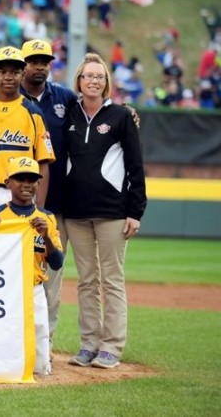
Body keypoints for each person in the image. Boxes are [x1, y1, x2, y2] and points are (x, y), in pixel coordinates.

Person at [65, 53, 147, 370]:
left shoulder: (121, 117)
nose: (94, 80)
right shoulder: (68, 114)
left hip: (113, 211)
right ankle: (89, 344)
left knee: (111, 280)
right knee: (86, 281)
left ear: (106, 82)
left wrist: (135, 211)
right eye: (88, 75)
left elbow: (136, 166)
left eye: (99, 76)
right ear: (79, 80)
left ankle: (112, 346)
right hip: (75, 212)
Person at [18, 39, 77, 346]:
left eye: (45, 61)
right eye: (33, 60)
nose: (39, 66)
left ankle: (46, 343)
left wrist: (125, 112)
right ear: (22, 64)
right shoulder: (11, 98)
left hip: (53, 203)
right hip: (14, 201)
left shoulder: (64, 98)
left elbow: (95, 113)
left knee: (51, 279)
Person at [0, 157, 64, 376]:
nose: (26, 184)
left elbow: (57, 263)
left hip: (34, 289)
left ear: (38, 184)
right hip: (4, 291)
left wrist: (46, 237)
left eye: (32, 179)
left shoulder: (46, 218)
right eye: (20, 179)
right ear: (8, 182)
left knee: (40, 363)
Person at [0, 46, 55, 220]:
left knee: (21, 246)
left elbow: (43, 163)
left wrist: (40, 209)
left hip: (22, 192)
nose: (8, 77)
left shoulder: (34, 113)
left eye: (14, 72)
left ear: (22, 75)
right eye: (2, 72)